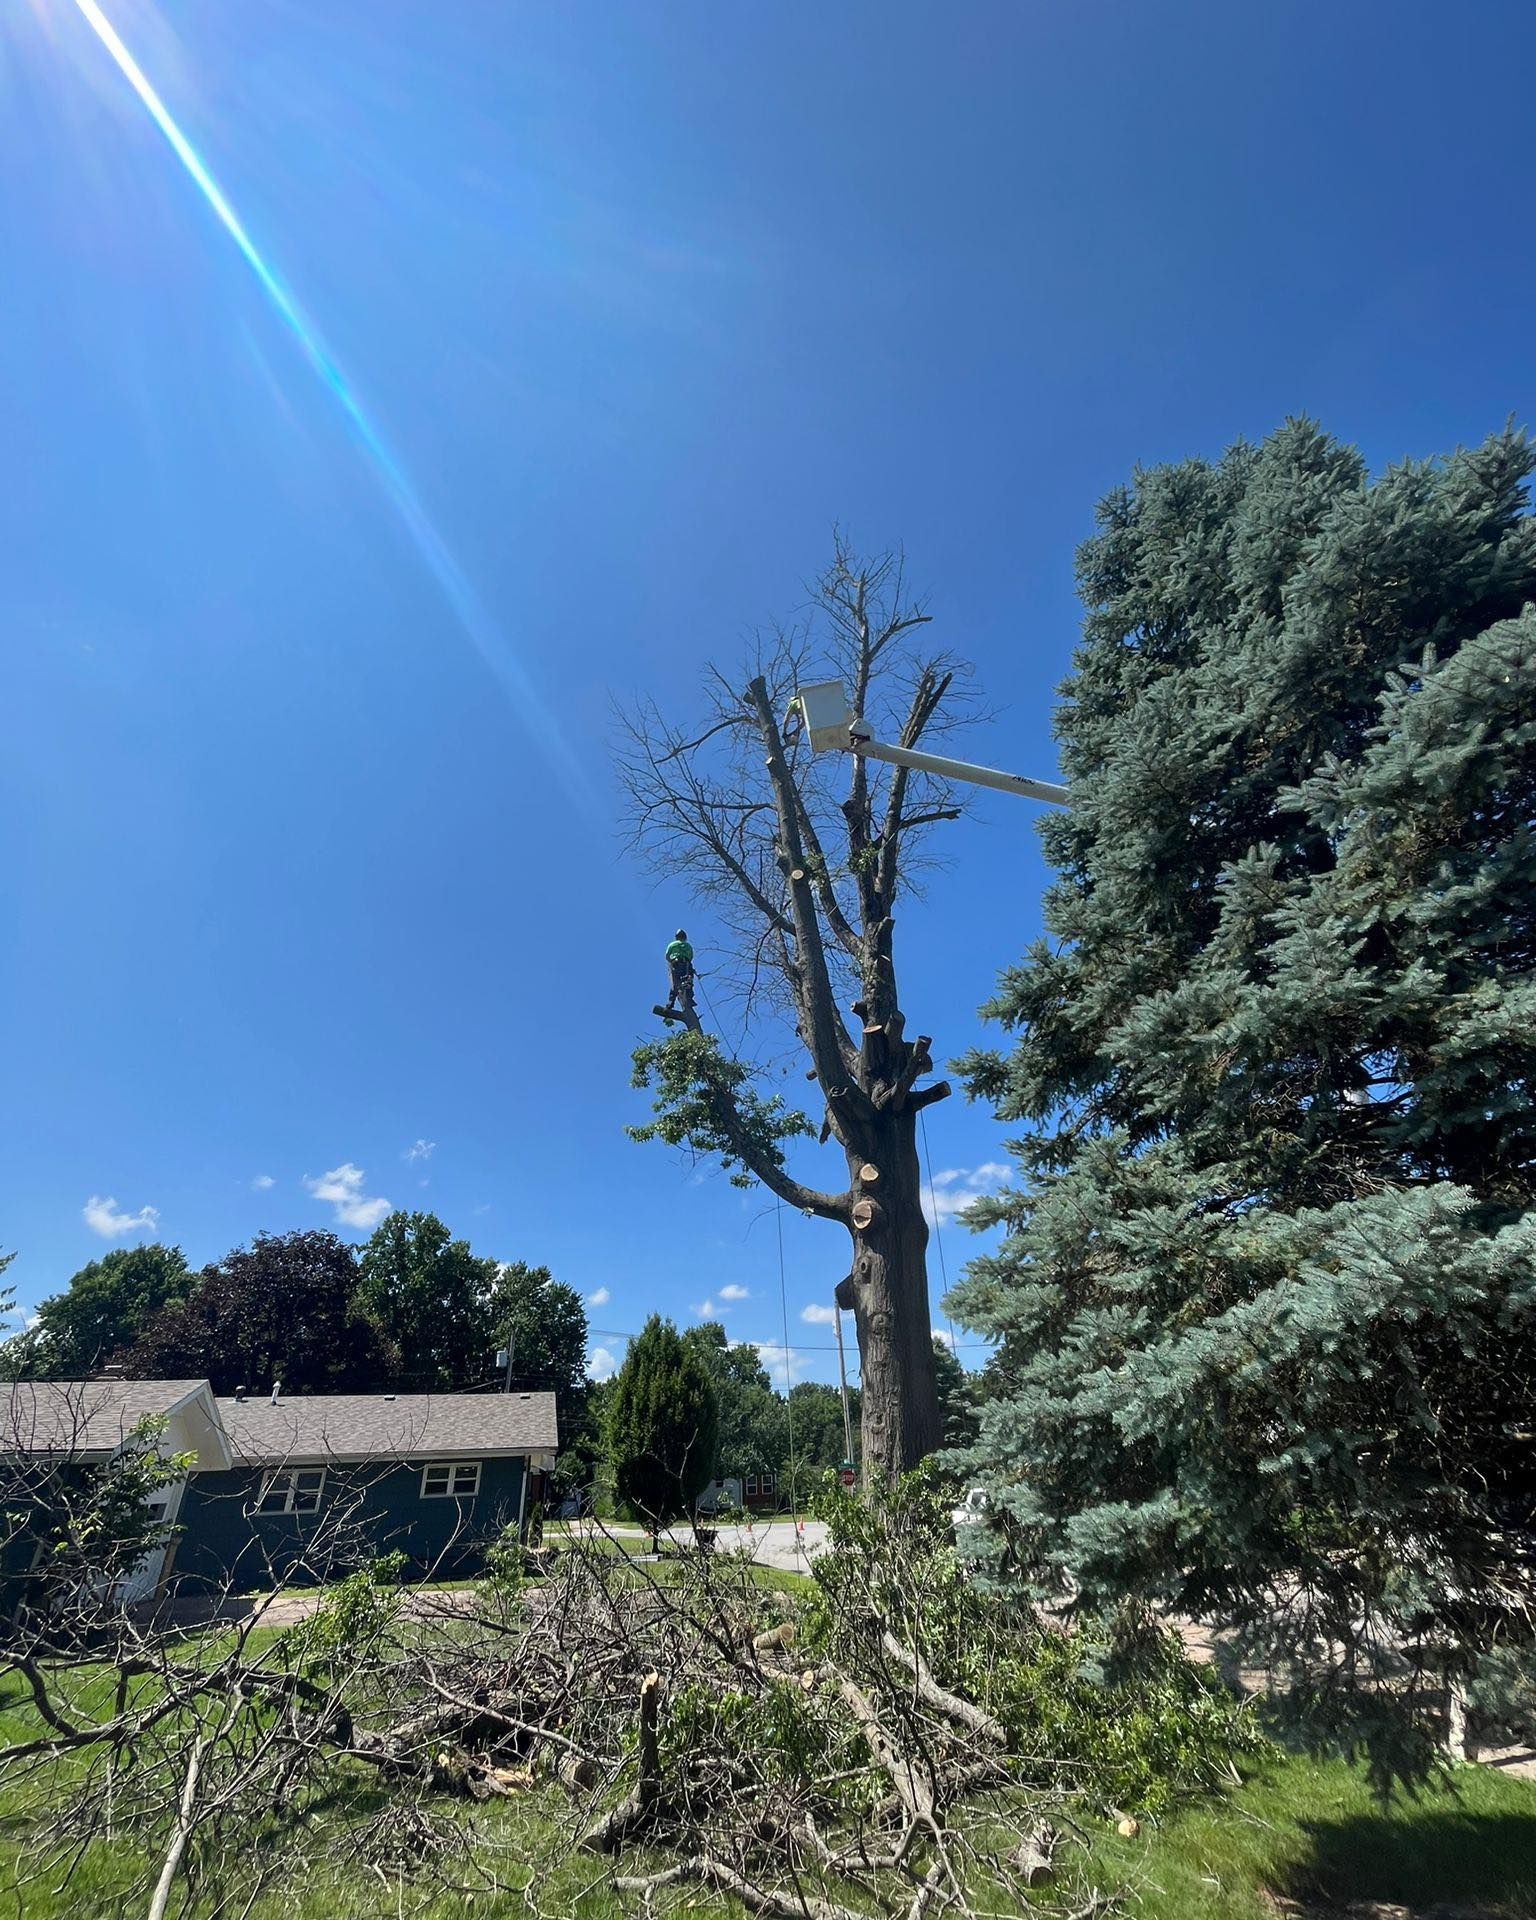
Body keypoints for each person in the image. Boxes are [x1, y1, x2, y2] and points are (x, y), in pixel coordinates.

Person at [664, 929, 695, 1012]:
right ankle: (689, 999)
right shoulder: (688, 946)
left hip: (676, 964)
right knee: (688, 982)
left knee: (675, 984)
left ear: (676, 937)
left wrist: (671, 962)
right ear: (685, 937)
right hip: (687, 966)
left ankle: (671, 1003)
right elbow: (691, 957)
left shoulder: (672, 944)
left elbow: (667, 956)